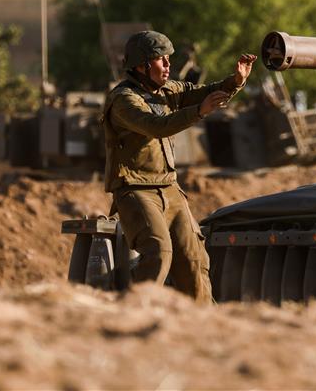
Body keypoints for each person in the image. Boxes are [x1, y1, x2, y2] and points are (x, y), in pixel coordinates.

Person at [103, 30, 256, 302]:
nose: (168, 65)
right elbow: (157, 126)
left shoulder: (168, 90)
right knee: (158, 252)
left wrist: (235, 81)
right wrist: (200, 112)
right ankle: (132, 312)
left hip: (169, 188)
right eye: (161, 60)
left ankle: (201, 325)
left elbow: (202, 93)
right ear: (142, 65)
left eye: (168, 59)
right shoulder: (124, 100)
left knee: (194, 258)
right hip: (136, 190)